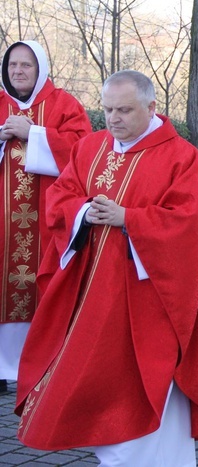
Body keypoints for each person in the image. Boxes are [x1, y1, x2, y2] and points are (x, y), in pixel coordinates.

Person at [14, 70, 198, 463]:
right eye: (107, 110)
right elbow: (62, 195)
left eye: (124, 110)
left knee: (145, 381)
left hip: (149, 301)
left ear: (152, 108)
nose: (113, 119)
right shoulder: (92, 147)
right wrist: (84, 211)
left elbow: (189, 224)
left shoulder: (180, 156)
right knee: (97, 382)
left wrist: (129, 219)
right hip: (92, 294)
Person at [0, 40, 91, 395]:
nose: (18, 71)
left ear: (40, 69)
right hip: (4, 223)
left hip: (47, 219)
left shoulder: (63, 104)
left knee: (45, 283)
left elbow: (85, 150)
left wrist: (33, 134)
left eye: (26, 65)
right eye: (12, 66)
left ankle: (41, 361)